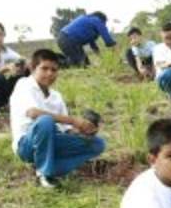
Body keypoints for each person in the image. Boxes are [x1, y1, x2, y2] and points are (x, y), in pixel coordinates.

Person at [9, 48, 106, 187]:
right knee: (45, 121)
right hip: (27, 145)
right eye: (44, 68)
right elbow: (33, 113)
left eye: (54, 70)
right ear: (32, 68)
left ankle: (50, 167)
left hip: (53, 141)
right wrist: (73, 120)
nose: (49, 73)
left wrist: (84, 130)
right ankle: (44, 173)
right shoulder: (24, 84)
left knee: (97, 144)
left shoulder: (56, 96)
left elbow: (66, 130)